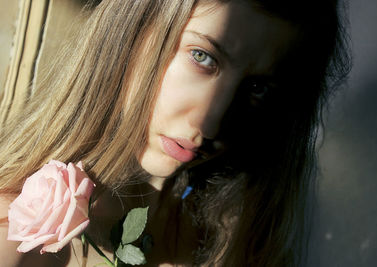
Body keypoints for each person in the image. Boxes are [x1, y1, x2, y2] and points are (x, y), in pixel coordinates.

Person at [0, 0, 350, 266]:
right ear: (132, 30)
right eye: (203, 57)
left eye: (257, 88)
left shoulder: (237, 231)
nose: (210, 124)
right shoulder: (20, 234)